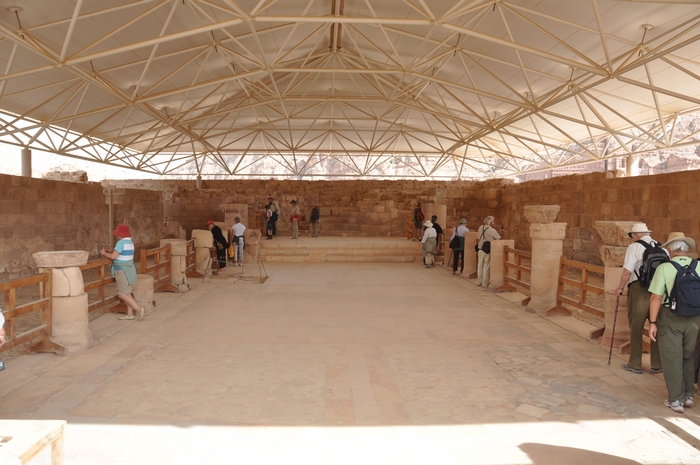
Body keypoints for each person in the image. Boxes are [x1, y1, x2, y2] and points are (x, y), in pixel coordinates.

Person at [648, 233, 700, 413]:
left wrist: (653, 322)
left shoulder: (664, 268)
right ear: (686, 250)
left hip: (671, 316)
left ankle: (675, 400)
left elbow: (656, 297)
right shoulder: (699, 266)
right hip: (694, 318)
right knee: (687, 356)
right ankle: (688, 396)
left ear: (670, 250)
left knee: (672, 358)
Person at [615, 223, 663, 375]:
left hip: (639, 289)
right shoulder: (660, 246)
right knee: (656, 326)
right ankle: (657, 364)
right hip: (658, 290)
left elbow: (627, 271)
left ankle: (635, 363)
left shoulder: (634, 247)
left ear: (635, 235)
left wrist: (620, 287)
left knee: (636, 326)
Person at [100, 224, 144, 321]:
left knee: (122, 294)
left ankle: (139, 309)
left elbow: (113, 257)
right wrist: (111, 251)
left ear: (120, 234)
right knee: (127, 293)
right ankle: (129, 314)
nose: (117, 235)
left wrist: (104, 253)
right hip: (129, 269)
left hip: (121, 269)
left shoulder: (120, 243)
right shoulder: (130, 242)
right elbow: (122, 253)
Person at [476, 216, 502, 287]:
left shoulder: (480, 227)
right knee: (486, 266)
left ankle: (479, 281)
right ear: (490, 223)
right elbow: (498, 238)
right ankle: (485, 282)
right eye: (493, 222)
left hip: (480, 248)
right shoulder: (492, 230)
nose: (494, 223)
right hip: (487, 250)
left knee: (480, 265)